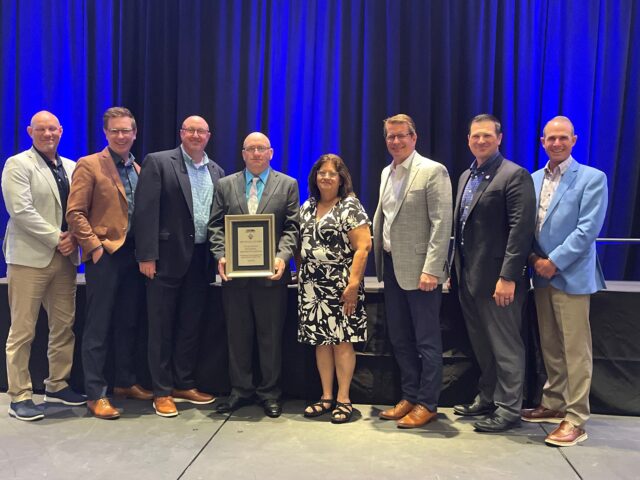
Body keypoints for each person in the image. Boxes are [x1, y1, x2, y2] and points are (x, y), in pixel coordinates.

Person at [521, 116, 608, 447]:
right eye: (550, 138)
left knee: (575, 349)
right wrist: (533, 260)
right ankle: (554, 402)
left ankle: (576, 418)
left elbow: (587, 229)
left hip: (570, 275)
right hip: (540, 275)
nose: (556, 143)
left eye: (563, 138)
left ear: (574, 140)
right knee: (551, 346)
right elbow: (525, 227)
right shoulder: (531, 180)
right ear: (542, 142)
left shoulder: (591, 178)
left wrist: (553, 261)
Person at [134, 115, 224, 417]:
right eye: (191, 130)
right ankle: (161, 390)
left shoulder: (216, 170)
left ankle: (183, 383)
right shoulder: (159, 162)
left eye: (202, 131)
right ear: (181, 133)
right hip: (164, 259)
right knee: (160, 327)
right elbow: (145, 211)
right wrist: (146, 255)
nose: (196, 135)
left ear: (209, 136)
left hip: (201, 259)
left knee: (190, 324)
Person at [452, 114, 536, 432]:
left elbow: (520, 231)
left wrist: (509, 277)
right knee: (483, 346)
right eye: (475, 136)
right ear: (469, 140)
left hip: (498, 281)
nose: (481, 141)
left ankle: (509, 408)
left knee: (506, 346)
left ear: (499, 138)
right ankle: (487, 397)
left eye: (487, 136)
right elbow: (461, 229)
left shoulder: (514, 175)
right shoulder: (466, 176)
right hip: (468, 278)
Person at [66, 107, 152, 420]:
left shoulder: (140, 169)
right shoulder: (89, 165)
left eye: (125, 130)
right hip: (106, 257)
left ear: (134, 132)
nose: (120, 136)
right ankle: (95, 393)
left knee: (128, 322)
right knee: (98, 328)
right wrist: (95, 248)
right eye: (114, 131)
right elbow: (74, 212)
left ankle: (125, 382)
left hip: (133, 258)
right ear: (106, 133)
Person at [209, 132, 299, 418]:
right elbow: (215, 227)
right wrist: (221, 255)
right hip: (235, 278)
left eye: (262, 149)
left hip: (271, 277)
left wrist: (282, 257)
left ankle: (270, 393)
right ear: (243, 153)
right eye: (251, 149)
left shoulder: (288, 185)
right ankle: (241, 390)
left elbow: (292, 229)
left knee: (270, 336)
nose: (257, 153)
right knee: (238, 335)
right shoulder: (225, 185)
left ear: (271, 153)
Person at [2, 111, 85, 421]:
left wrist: (75, 238)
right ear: (30, 131)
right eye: (41, 129)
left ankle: (57, 384)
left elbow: (80, 209)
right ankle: (19, 396)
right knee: (22, 330)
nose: (48, 134)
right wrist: (58, 238)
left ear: (61, 131)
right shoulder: (18, 165)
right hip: (29, 259)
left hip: (65, 258)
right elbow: (20, 210)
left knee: (63, 326)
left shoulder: (72, 167)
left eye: (53, 129)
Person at [373, 114, 453, 429]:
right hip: (392, 266)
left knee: (426, 341)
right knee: (400, 338)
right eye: (390, 136)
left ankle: (428, 403)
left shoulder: (433, 171)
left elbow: (440, 223)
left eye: (401, 136)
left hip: (422, 271)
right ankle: (409, 395)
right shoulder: (386, 172)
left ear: (414, 137)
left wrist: (432, 269)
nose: (395, 141)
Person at [298, 154, 371, 424]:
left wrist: (353, 286)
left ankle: (344, 399)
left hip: (341, 285)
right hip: (312, 287)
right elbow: (300, 243)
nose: (326, 177)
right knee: (321, 343)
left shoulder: (350, 206)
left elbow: (363, 248)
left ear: (341, 179)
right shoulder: (307, 206)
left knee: (342, 342)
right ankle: (326, 396)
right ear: (314, 177)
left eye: (332, 173)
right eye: (321, 173)